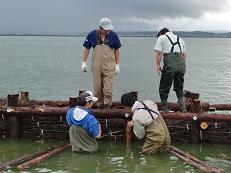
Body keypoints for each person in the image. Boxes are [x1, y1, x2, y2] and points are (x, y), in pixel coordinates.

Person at [81, 17, 121, 109]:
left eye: (109, 29)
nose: (108, 31)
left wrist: (117, 64)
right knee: (97, 88)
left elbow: (117, 50)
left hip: (109, 65)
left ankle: (107, 107)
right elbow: (87, 48)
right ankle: (99, 106)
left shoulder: (113, 35)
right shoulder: (92, 34)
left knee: (108, 88)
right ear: (100, 28)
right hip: (96, 65)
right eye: (106, 30)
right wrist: (83, 62)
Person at [154, 26, 187, 112]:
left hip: (170, 66)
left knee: (164, 88)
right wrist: (179, 65)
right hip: (181, 66)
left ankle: (165, 109)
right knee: (179, 88)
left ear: (160, 33)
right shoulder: (180, 39)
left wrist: (157, 66)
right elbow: (184, 55)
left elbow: (158, 53)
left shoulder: (161, 38)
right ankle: (183, 109)